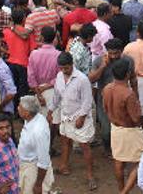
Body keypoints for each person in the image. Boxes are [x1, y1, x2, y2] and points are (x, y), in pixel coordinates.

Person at [51, 51, 96, 189]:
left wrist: (81, 117)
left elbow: (87, 101)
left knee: (84, 146)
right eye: (62, 68)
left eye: (67, 68)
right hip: (65, 115)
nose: (64, 71)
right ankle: (64, 166)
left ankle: (90, 176)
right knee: (65, 141)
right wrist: (51, 110)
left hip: (79, 117)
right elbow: (57, 95)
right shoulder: (59, 76)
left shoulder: (82, 79)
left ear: (72, 64)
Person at [103, 57, 143, 194]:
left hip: (115, 128)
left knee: (119, 161)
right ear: (127, 74)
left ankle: (121, 189)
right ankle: (124, 192)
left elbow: (105, 108)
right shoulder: (128, 93)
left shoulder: (107, 88)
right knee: (141, 161)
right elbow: (135, 118)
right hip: (130, 130)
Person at [17, 95, 53, 194]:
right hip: (26, 166)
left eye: (20, 107)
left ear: (27, 112)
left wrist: (38, 184)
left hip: (33, 171)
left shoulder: (38, 131)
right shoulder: (32, 119)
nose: (17, 108)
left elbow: (44, 161)